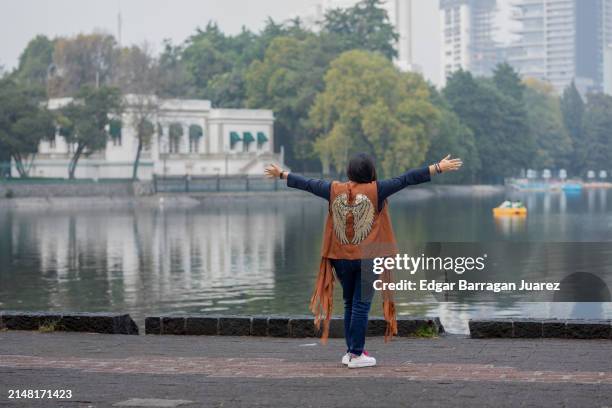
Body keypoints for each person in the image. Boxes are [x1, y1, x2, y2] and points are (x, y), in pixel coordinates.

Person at [264, 153, 462, 368]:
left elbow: (308, 184)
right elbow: (407, 178)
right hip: (369, 258)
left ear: (350, 172)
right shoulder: (377, 190)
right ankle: (357, 354)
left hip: (340, 258)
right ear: (370, 172)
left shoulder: (333, 189)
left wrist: (282, 174)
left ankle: (351, 352)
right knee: (361, 305)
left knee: (350, 303)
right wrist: (438, 167)